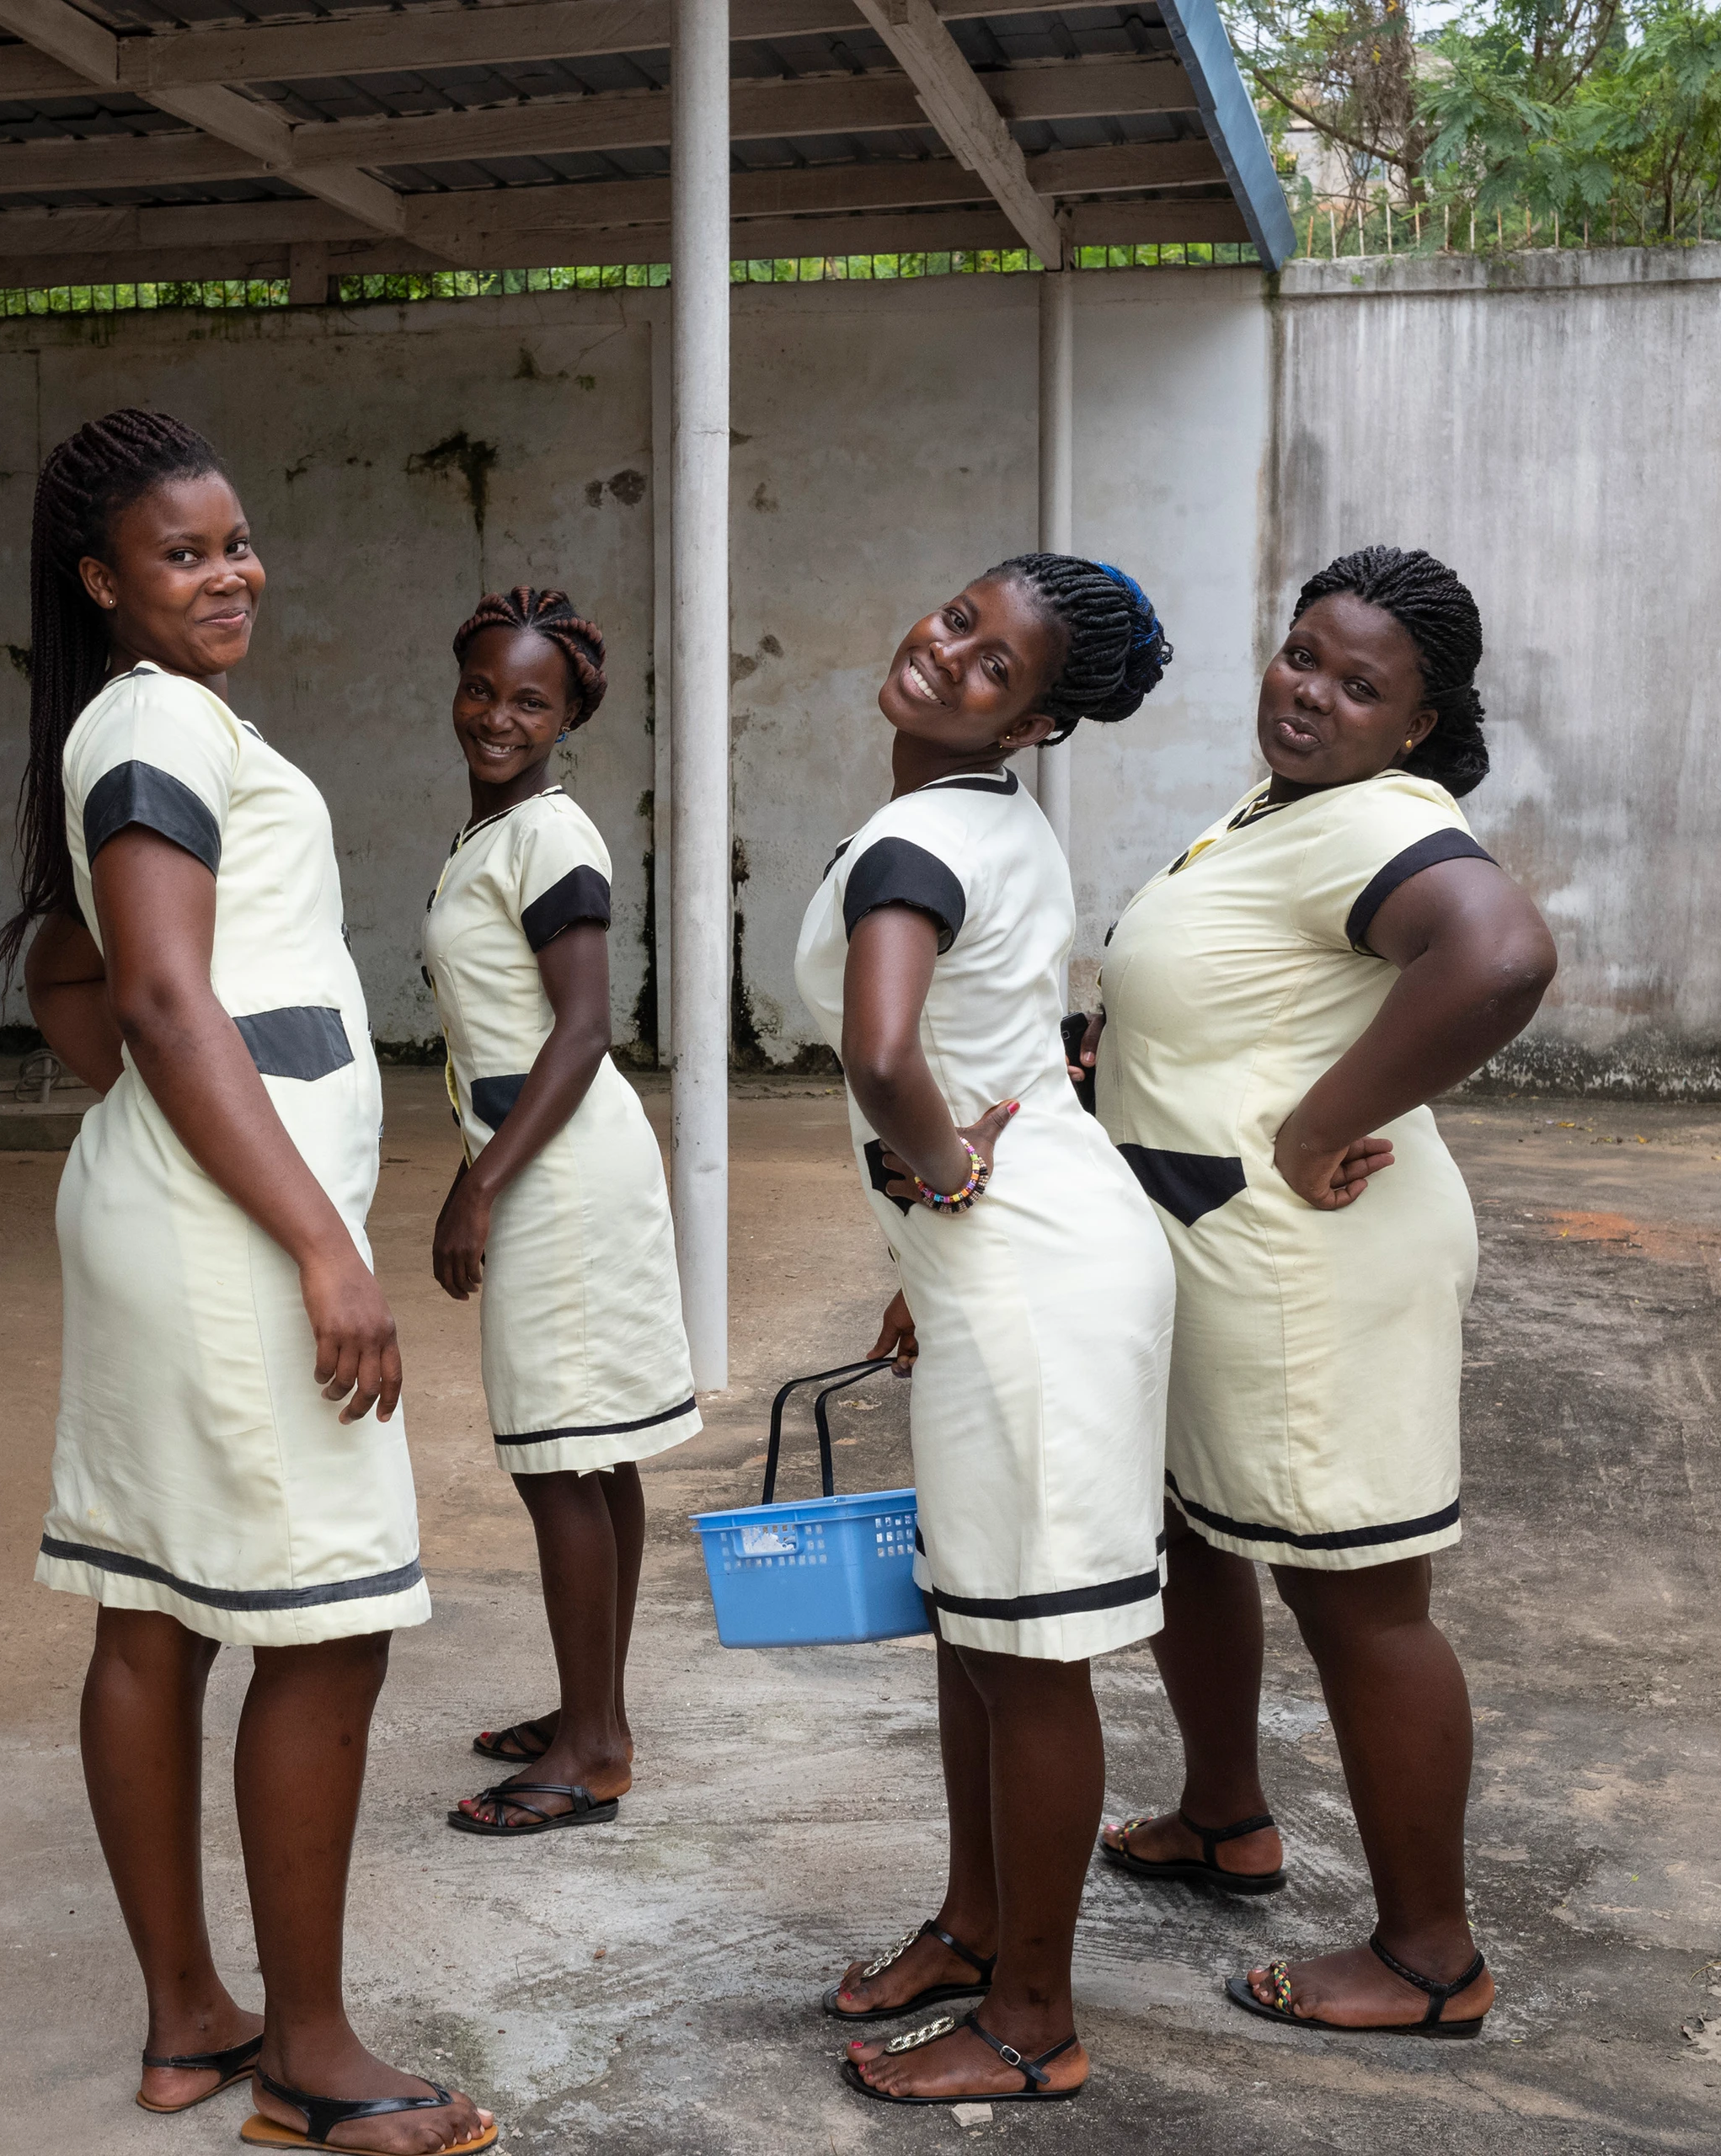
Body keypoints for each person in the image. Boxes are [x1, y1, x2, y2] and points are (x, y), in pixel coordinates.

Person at [7, 408, 495, 2154]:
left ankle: (188, 2021)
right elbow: (151, 993)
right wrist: (316, 1238)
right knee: (328, 1620)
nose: (226, 573)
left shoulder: (146, 727)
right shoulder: (150, 724)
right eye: (181, 552)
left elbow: (82, 967)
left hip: (186, 1196)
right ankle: (309, 2053)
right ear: (102, 580)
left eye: (233, 540)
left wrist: (160, 1096)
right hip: (231, 1227)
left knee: (151, 1611)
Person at [1080, 544, 1556, 2040]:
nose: (1313, 695)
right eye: (1302, 656)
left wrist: (1314, 1122)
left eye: (1363, 686)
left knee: (1359, 1602)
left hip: (1311, 1268)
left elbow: (1499, 955)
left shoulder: (1387, 818)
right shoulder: (1284, 809)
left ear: (1416, 725)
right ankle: (1227, 1819)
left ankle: (1429, 1955)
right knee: (1193, 1532)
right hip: (1212, 1252)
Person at [794, 554, 1179, 2108]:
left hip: (1029, 1276)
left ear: (1032, 725)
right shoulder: (990, 826)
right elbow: (998, 1039)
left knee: (1028, 1657)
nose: (949, 655)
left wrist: (937, 1179)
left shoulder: (922, 836)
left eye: (996, 667)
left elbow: (892, 1057)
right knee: (981, 1626)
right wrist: (929, 1231)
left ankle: (1033, 2022)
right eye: (957, 618)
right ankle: (972, 1927)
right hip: (1014, 1264)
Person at [417, 589, 699, 1838]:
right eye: (483, 687)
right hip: (551, 1158)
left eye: (530, 698)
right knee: (593, 1455)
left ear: (570, 711)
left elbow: (582, 1031)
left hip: (561, 1177)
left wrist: (480, 1185)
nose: (498, 714)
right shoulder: (501, 831)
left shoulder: (552, 838)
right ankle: (596, 1713)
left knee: (557, 1465)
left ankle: (590, 1751)